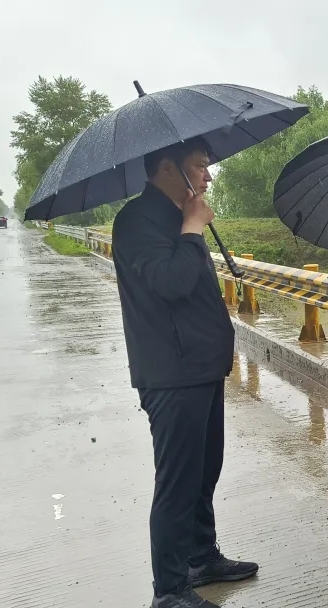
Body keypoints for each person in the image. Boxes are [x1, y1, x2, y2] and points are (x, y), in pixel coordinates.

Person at [112, 137, 258, 608]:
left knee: (203, 471)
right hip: (171, 373)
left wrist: (191, 226)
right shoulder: (137, 221)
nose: (208, 176)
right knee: (177, 483)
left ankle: (201, 556)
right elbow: (170, 284)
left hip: (201, 366)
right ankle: (170, 589)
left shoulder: (177, 215)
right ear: (167, 169)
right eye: (199, 166)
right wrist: (193, 230)